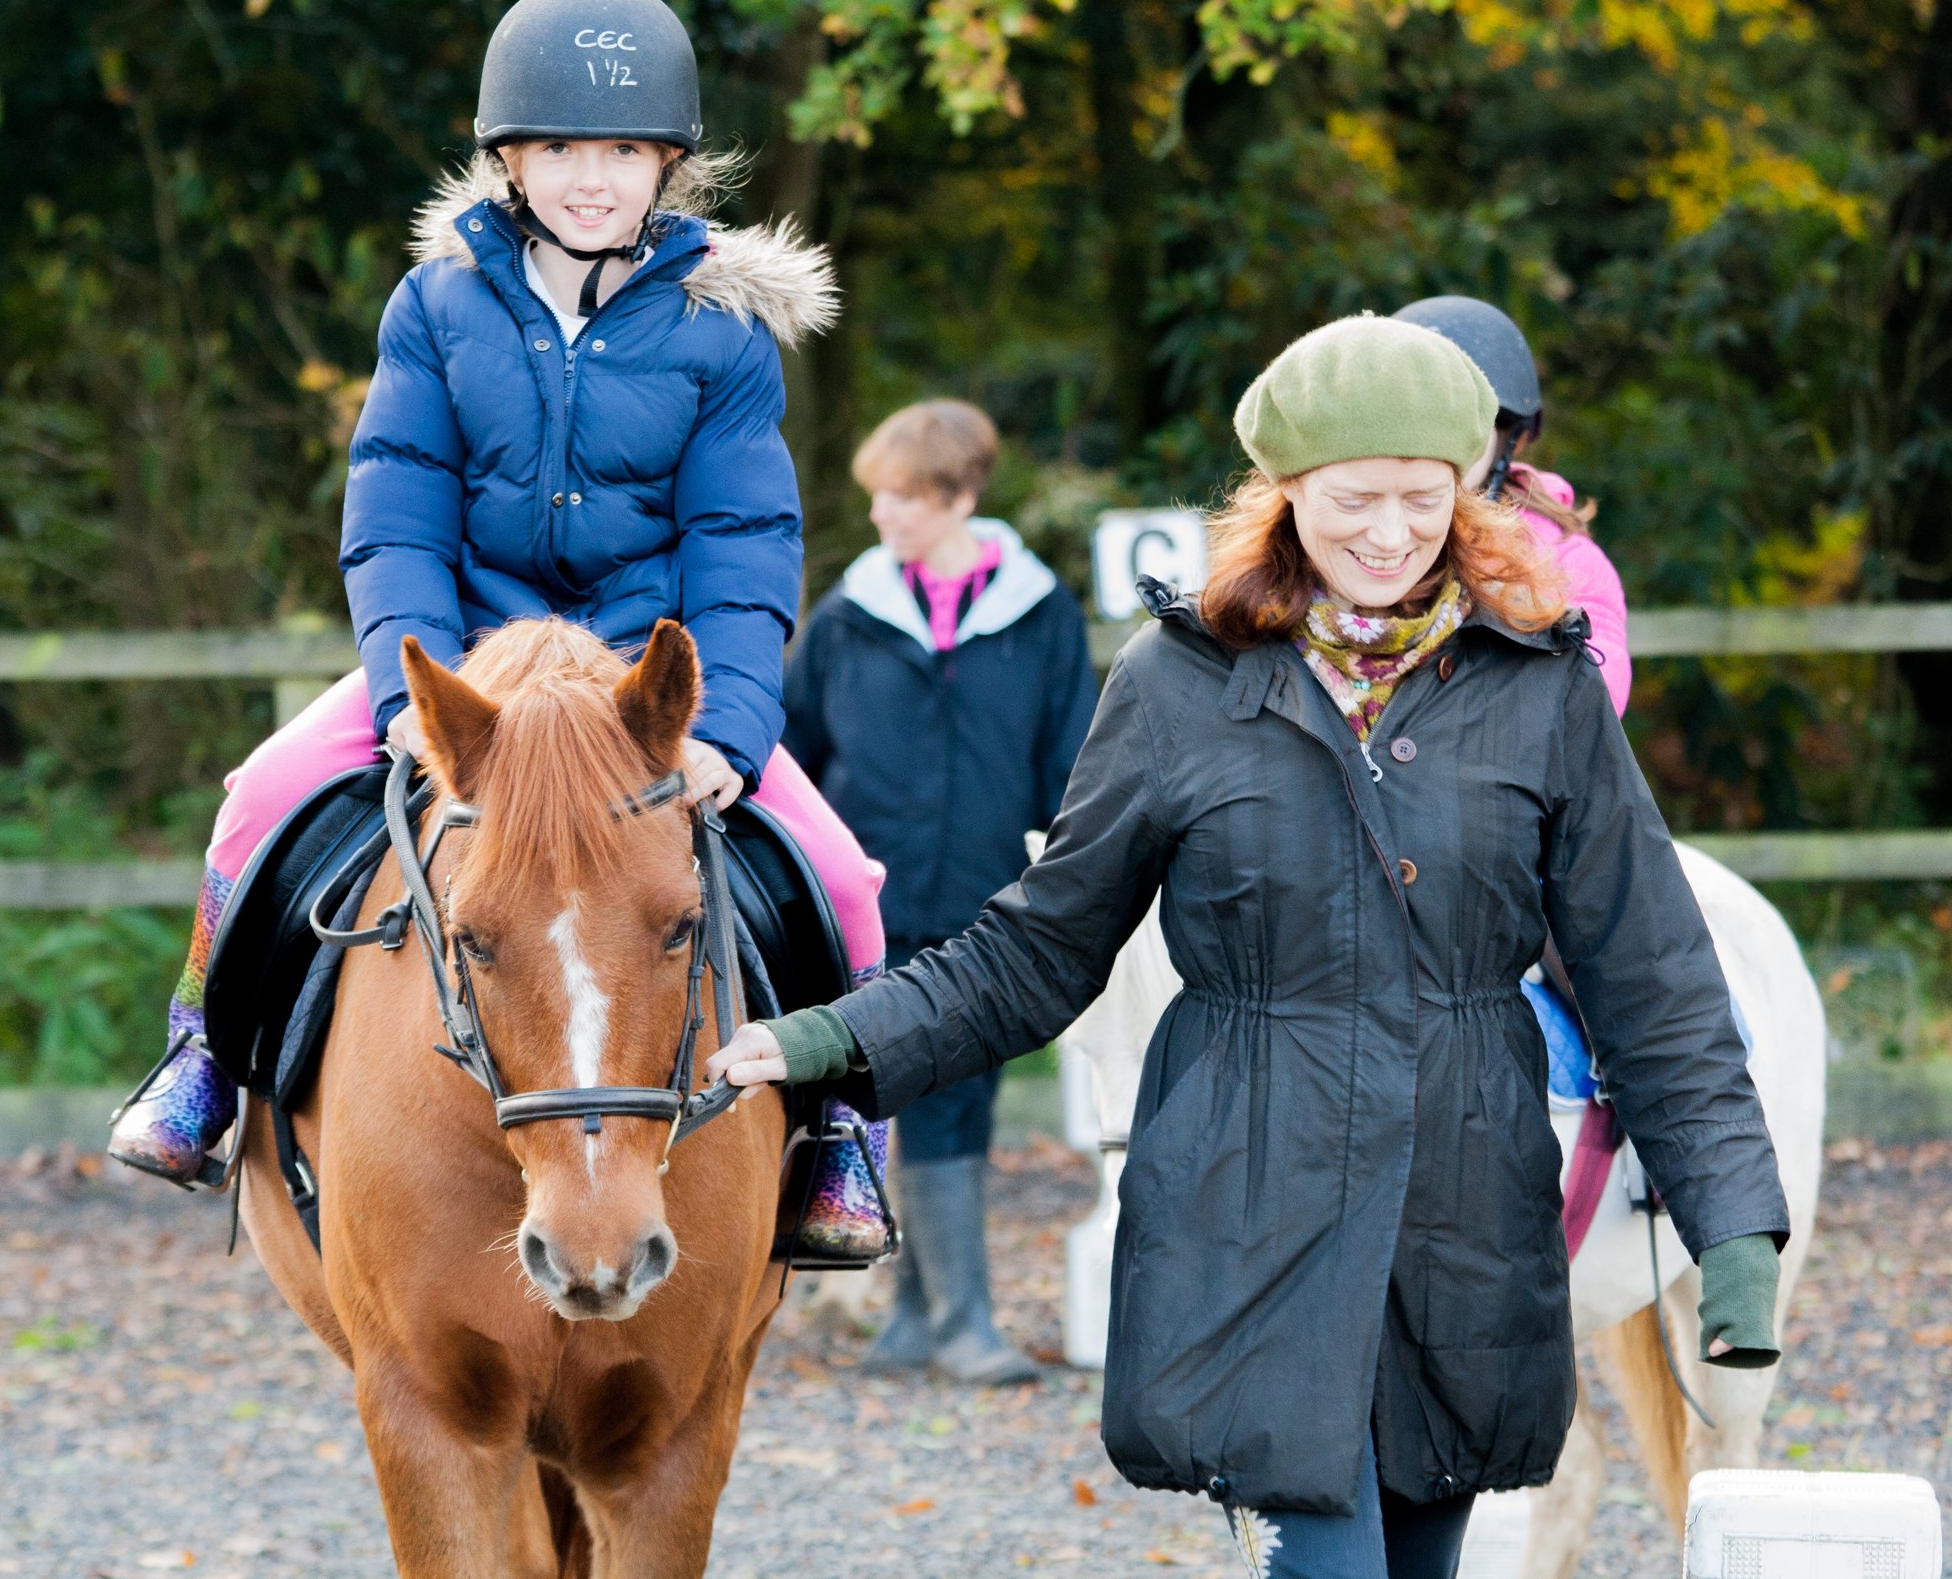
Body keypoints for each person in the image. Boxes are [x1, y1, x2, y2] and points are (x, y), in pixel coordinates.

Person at [709, 318, 1791, 1579]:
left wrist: (1733, 1228)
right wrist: (834, 1035)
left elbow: (1652, 975)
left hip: (1461, 1215)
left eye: (1419, 499)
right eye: (1353, 500)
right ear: (1283, 499)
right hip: (1253, 1202)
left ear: (1467, 493)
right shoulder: (1178, 683)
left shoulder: (1540, 690)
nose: (1388, 534)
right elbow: (1036, 948)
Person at [110, 0, 892, 1263]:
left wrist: (730, 731)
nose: (593, 178)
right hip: (468, 668)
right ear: (510, 161)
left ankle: (843, 1130)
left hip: (643, 687)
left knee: (843, 875)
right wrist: (406, 709)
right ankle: (200, 1055)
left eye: (624, 152)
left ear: (668, 167)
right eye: (562, 150)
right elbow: (395, 517)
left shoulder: (726, 336)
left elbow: (743, 543)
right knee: (255, 796)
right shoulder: (434, 308)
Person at [784, 400, 1098, 1382]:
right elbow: (793, 753)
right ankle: (927, 1316)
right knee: (869, 1090)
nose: (881, 515)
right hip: (867, 906)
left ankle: (943, 1317)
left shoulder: (1040, 617)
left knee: (957, 1096)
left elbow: (1073, 763)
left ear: (959, 496)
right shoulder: (844, 618)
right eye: (876, 496)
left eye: (904, 499)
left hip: (988, 905)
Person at [1393, 295, 1629, 713]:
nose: (1431, 446)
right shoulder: (1344, 533)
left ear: (1508, 438)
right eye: (1411, 421)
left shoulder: (1563, 559)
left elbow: (1591, 701)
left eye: (1461, 425)